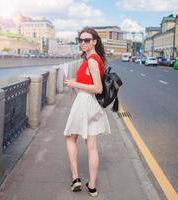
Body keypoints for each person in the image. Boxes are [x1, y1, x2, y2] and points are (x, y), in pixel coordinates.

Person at [63, 27, 111, 197]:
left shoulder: (91, 60)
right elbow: (91, 81)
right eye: (80, 40)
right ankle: (92, 186)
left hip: (85, 102)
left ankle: (76, 178)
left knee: (70, 138)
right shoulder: (93, 59)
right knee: (92, 147)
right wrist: (75, 80)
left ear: (94, 41)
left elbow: (97, 88)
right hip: (92, 105)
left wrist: (75, 84)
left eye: (87, 40)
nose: (83, 43)